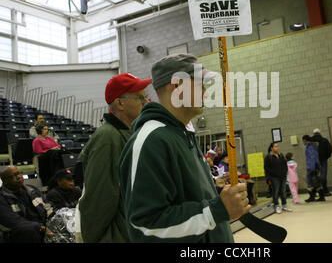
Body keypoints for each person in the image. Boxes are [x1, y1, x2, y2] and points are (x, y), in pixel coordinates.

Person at [119, 53, 250, 243]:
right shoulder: (151, 141)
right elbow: (145, 227)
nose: (205, 92)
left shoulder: (182, 134)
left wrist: (218, 195)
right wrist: (217, 210)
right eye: (200, 84)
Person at [77, 73, 151, 243]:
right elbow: (99, 198)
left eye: (145, 97)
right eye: (140, 97)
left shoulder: (129, 133)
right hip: (116, 235)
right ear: (120, 103)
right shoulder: (107, 138)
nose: (145, 102)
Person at [0, 166, 54, 243]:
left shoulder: (32, 190)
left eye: (18, 173)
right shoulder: (2, 198)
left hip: (41, 227)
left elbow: (48, 206)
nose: (18, 177)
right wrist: (42, 228)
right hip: (21, 234)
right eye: (13, 176)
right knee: (29, 230)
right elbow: (15, 223)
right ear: (4, 181)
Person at [264, 142, 292, 213]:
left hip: (282, 177)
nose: (277, 148)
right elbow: (266, 168)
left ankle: (284, 205)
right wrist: (269, 177)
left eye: (277, 146)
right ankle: (276, 206)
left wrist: (285, 173)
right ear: (272, 148)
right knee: (275, 192)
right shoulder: (268, 157)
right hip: (274, 177)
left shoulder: (281, 155)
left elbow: (285, 165)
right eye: (275, 146)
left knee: (283, 191)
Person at [302, 135, 325, 202]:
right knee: (316, 182)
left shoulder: (310, 147)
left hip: (312, 167)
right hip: (315, 166)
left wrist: (312, 168)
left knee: (311, 182)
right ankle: (319, 196)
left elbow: (312, 158)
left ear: (305, 140)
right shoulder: (313, 146)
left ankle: (313, 197)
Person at [311, 128, 332, 196]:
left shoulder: (311, 141)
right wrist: (326, 157)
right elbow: (330, 149)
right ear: (319, 133)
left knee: (314, 176)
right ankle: (325, 191)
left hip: (314, 161)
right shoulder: (324, 140)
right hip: (323, 160)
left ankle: (316, 192)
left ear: (314, 134)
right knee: (323, 176)